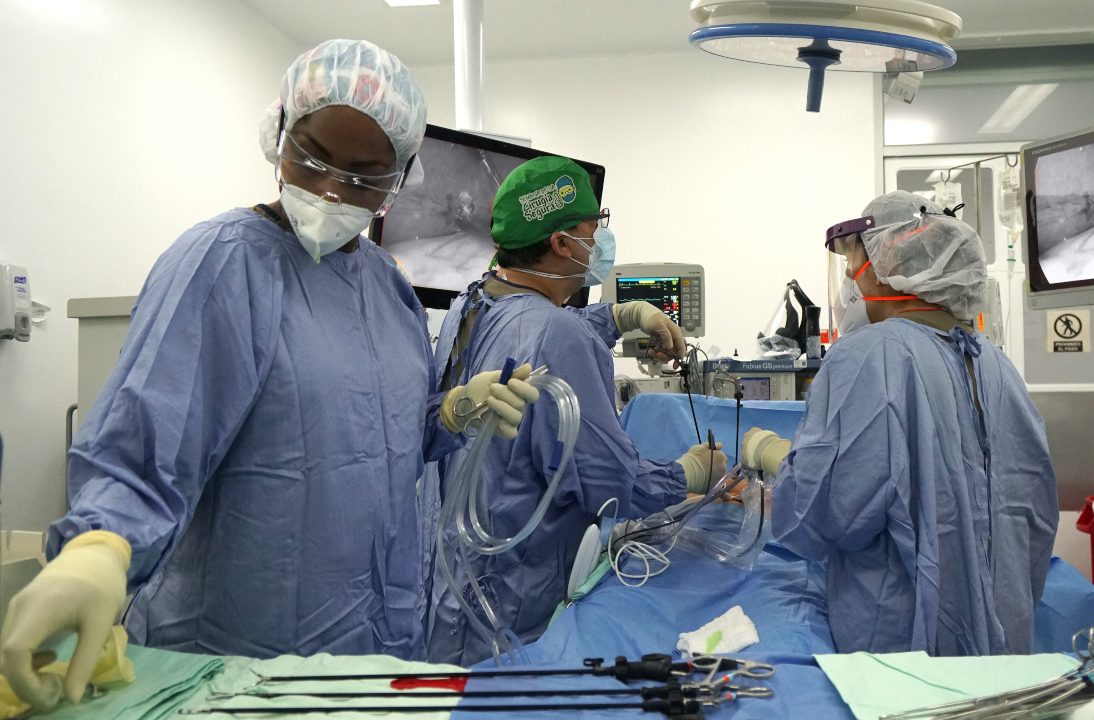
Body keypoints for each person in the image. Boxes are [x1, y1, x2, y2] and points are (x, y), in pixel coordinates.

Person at [0, 39, 539, 710]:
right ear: (276, 135)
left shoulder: (388, 286)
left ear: (398, 182)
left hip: (372, 647)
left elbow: (389, 438)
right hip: (236, 662)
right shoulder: (221, 263)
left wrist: (451, 412)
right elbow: (149, 438)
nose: (332, 191)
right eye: (311, 159)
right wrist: (100, 548)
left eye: (365, 178)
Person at [425, 156, 728, 665]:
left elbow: (531, 325)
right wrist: (688, 474)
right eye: (594, 227)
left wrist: (622, 315)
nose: (600, 239)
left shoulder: (470, 303)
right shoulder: (557, 334)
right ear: (563, 244)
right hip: (519, 606)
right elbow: (610, 484)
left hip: (457, 590)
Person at [742, 190, 1058, 656]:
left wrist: (774, 457)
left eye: (854, 259)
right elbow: (1034, 515)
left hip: (902, 651)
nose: (849, 276)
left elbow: (825, 517)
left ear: (887, 263)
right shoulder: (996, 364)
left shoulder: (869, 355)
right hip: (1006, 652)